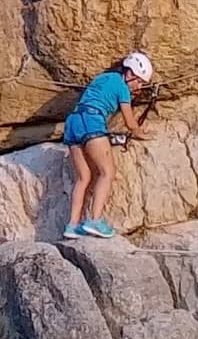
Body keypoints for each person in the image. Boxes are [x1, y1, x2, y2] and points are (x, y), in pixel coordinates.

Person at [57, 50, 154, 240]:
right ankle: (95, 220)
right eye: (140, 81)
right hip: (92, 121)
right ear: (131, 73)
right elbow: (130, 122)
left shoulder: (104, 78)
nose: (139, 87)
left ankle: (72, 225)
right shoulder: (123, 88)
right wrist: (142, 134)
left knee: (83, 177)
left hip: (73, 122)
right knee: (107, 172)